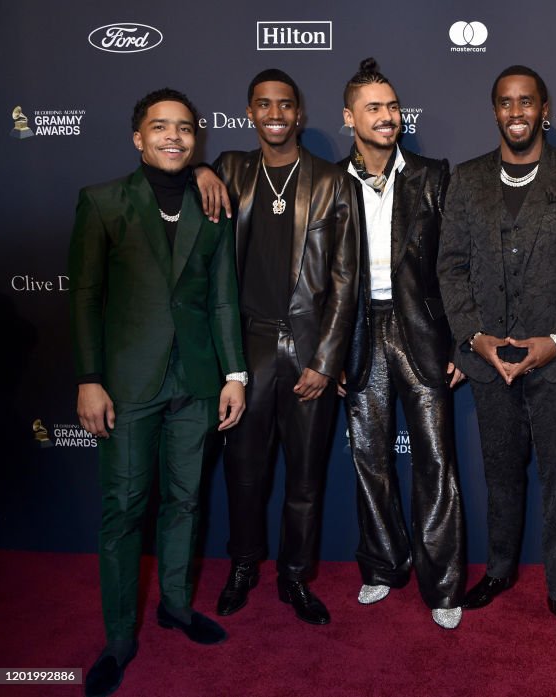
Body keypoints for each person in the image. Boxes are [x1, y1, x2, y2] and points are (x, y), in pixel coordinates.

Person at [69, 88, 247, 697]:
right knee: (123, 511)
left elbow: (223, 297)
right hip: (127, 384)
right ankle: (120, 638)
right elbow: (85, 297)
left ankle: (174, 604)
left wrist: (234, 374)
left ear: (196, 138)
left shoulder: (213, 205)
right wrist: (89, 378)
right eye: (160, 126)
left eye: (185, 128)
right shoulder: (102, 203)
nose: (174, 136)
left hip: (196, 382)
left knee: (185, 502)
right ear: (137, 137)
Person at [438, 65, 556, 644]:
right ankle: (501, 570)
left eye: (526, 102)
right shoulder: (466, 180)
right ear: (495, 112)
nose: (516, 112)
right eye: (506, 103)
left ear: (544, 109)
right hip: (488, 361)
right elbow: (451, 266)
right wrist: (475, 338)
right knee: (501, 475)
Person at [195, 69, 359, 625]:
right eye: (264, 104)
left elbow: (344, 278)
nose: (275, 114)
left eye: (285, 105)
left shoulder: (332, 181)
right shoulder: (230, 171)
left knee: (306, 478)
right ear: (249, 113)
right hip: (247, 348)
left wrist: (326, 359)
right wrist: (197, 169)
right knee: (244, 473)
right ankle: (243, 565)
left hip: (309, 349)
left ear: (300, 114)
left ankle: (294, 576)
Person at [335, 58, 466, 629]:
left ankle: (443, 585)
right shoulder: (329, 181)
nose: (387, 117)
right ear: (349, 119)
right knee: (370, 459)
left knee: (436, 461)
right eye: (374, 108)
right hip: (359, 333)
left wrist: (461, 340)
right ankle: (384, 566)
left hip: (424, 333)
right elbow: (317, 278)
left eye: (391, 107)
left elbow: (460, 266)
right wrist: (329, 351)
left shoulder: (435, 175)